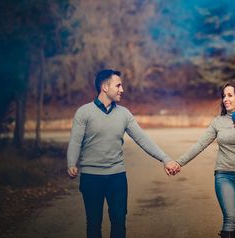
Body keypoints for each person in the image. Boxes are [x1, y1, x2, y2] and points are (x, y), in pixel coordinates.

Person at [67, 69, 179, 238]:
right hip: (91, 178)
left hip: (117, 177)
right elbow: (75, 141)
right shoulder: (84, 112)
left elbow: (142, 139)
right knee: (93, 223)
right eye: (118, 85)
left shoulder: (124, 114)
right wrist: (71, 163)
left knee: (119, 222)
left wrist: (165, 159)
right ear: (105, 87)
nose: (122, 89)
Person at [173, 81, 235, 238]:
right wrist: (179, 162)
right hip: (224, 175)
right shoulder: (218, 122)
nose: (225, 99)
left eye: (230, 95)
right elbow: (200, 145)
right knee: (231, 219)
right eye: (223, 96)